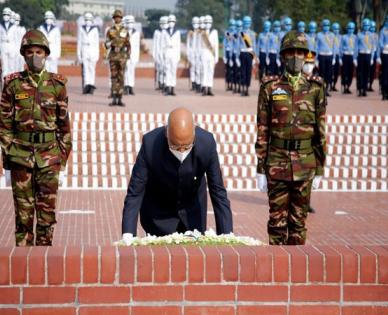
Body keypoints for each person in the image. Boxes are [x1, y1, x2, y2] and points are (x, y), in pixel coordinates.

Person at [0, 30, 72, 246]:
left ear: (46, 53)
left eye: (38, 51)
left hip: (49, 157)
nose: (34, 56)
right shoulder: (13, 85)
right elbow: (5, 125)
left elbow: (64, 127)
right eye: (29, 52)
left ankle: (43, 263)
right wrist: (9, 156)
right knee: (23, 216)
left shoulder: (57, 85)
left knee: (46, 217)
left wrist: (62, 160)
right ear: (23, 54)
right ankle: (23, 263)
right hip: (20, 156)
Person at [255, 30, 327, 245]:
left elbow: (320, 130)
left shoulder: (316, 87)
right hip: (276, 162)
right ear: (283, 56)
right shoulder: (270, 87)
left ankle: (296, 274)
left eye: (300, 53)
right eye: (291, 52)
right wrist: (260, 167)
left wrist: (320, 168)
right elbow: (262, 129)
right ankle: (277, 273)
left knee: (298, 223)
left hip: (305, 163)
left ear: (306, 56)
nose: (295, 57)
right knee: (276, 224)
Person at [121, 107, 233, 240]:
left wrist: (226, 236)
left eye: (187, 147)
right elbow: (135, 192)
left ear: (194, 134)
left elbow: (218, 191)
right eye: (175, 146)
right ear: (167, 133)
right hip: (158, 214)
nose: (181, 152)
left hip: (192, 214)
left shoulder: (207, 144)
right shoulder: (150, 145)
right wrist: (128, 235)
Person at [105, 9, 130, 105]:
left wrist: (127, 56)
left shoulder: (125, 30)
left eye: (119, 17)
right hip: (113, 56)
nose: (117, 19)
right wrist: (110, 44)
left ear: (121, 18)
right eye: (116, 17)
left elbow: (128, 44)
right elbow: (106, 44)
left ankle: (120, 98)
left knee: (121, 77)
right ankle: (114, 98)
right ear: (114, 18)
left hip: (122, 57)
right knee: (114, 77)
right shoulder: (110, 30)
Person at [77, 12, 99, 95]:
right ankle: (86, 86)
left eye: (89, 20)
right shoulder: (81, 28)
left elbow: (97, 43)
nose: (88, 21)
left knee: (92, 69)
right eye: (86, 20)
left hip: (92, 50)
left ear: (92, 20)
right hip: (84, 49)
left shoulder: (95, 29)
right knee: (85, 70)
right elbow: (79, 42)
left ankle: (91, 86)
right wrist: (78, 54)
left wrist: (97, 55)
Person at [0, 7, 17, 87]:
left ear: (9, 15)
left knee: (11, 67)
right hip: (3, 46)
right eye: (4, 14)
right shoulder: (0, 25)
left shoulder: (14, 26)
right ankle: (5, 86)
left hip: (11, 46)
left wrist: (16, 51)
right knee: (4, 67)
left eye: (7, 15)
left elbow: (16, 40)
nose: (6, 16)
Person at [161, 14, 181, 96]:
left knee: (173, 71)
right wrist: (162, 55)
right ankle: (167, 87)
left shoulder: (177, 32)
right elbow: (162, 44)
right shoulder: (164, 31)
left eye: (172, 21)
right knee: (167, 70)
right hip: (167, 51)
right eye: (170, 21)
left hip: (174, 52)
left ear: (175, 22)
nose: (171, 23)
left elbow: (179, 45)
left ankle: (172, 88)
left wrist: (178, 56)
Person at [200, 15, 218, 96]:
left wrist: (216, 56)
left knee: (211, 71)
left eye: (209, 22)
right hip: (204, 52)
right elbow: (199, 45)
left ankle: (209, 88)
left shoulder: (214, 32)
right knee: (204, 71)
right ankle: (204, 88)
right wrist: (199, 56)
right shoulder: (202, 33)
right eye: (206, 22)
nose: (208, 24)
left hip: (211, 54)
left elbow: (216, 45)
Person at [316, 19, 335, 96]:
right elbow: (316, 47)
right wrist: (316, 58)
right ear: (322, 26)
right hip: (321, 55)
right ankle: (321, 90)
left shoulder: (332, 35)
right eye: (324, 26)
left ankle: (326, 89)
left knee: (328, 74)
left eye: (327, 26)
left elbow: (334, 47)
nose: (326, 27)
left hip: (329, 55)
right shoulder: (319, 35)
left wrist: (333, 57)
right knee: (321, 74)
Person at [355, 18, 372, 97]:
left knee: (366, 73)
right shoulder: (359, 35)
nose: (366, 27)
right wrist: (355, 58)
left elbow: (373, 47)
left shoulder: (372, 35)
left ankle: (365, 89)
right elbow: (356, 47)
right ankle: (360, 89)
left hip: (368, 55)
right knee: (360, 73)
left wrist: (372, 58)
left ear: (369, 26)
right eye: (365, 25)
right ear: (363, 26)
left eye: (367, 25)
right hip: (361, 55)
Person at [124, 15, 140, 96]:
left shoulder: (136, 33)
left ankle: (130, 87)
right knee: (125, 71)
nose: (130, 24)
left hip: (133, 54)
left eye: (131, 22)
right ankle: (125, 86)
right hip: (125, 54)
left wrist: (137, 57)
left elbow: (137, 45)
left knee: (131, 71)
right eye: (128, 22)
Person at [340, 22, 356, 94]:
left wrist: (356, 58)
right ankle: (344, 86)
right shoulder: (344, 37)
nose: (350, 30)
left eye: (352, 28)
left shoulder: (355, 37)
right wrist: (340, 57)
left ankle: (348, 86)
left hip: (352, 56)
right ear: (347, 29)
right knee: (344, 72)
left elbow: (356, 48)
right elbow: (340, 47)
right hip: (345, 55)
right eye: (349, 28)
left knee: (350, 72)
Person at [187, 16, 199, 91]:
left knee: (198, 69)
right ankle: (193, 83)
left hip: (198, 52)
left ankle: (198, 84)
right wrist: (188, 53)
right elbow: (188, 44)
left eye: (196, 23)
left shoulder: (200, 32)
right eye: (194, 22)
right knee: (192, 69)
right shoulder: (190, 32)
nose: (195, 24)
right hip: (192, 52)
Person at [223, 19, 236, 91]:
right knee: (228, 70)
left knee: (234, 70)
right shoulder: (227, 33)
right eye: (231, 25)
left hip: (234, 53)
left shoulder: (236, 33)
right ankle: (228, 85)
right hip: (228, 52)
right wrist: (224, 55)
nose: (232, 27)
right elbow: (224, 44)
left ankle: (233, 85)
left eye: (233, 25)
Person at [331, 22, 341, 91]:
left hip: (338, 56)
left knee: (336, 72)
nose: (336, 30)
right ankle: (330, 85)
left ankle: (334, 85)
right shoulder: (330, 36)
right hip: (331, 55)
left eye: (337, 29)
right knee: (330, 71)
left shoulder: (341, 37)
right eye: (334, 29)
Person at [380, 16, 388, 100]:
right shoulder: (383, 31)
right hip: (385, 53)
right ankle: (384, 92)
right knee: (385, 73)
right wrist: (385, 46)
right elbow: (380, 43)